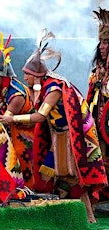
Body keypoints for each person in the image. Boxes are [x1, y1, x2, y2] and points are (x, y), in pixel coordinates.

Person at [0, 29, 107, 223]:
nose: (25, 79)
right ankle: (57, 215)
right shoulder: (39, 87)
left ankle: (89, 218)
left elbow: (39, 117)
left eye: (28, 75)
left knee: (71, 177)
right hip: (58, 136)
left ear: (36, 75)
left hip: (73, 136)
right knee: (49, 175)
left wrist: (12, 120)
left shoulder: (54, 87)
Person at [0, 32, 35, 189]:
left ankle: (23, 190)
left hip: (24, 131)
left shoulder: (16, 95)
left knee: (20, 158)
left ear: (4, 79)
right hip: (6, 128)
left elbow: (5, 119)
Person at [87, 7, 109, 199]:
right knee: (100, 158)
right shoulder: (97, 70)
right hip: (99, 124)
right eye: (101, 42)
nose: (101, 46)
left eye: (106, 43)